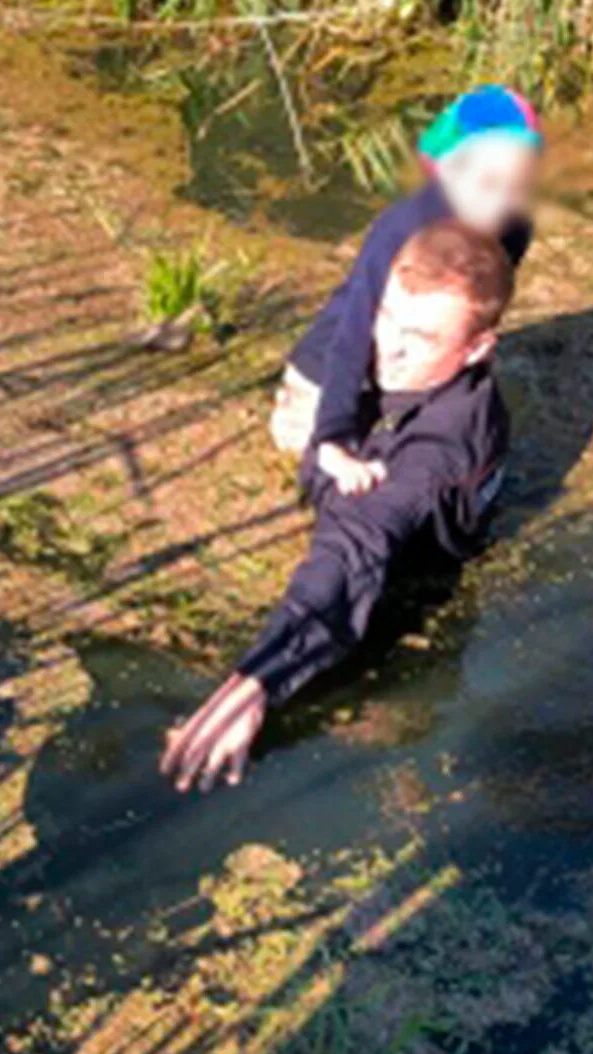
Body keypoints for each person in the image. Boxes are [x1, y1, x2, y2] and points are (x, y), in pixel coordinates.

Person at [162, 221, 514, 792]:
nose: (389, 349)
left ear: (477, 347)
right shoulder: (399, 354)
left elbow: (354, 550)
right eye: (388, 320)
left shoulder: (435, 454)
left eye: (422, 338)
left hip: (412, 563)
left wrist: (257, 680)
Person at [270, 84, 540, 498]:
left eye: (515, 182)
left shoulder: (515, 228)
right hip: (333, 370)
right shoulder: (404, 225)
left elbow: (476, 315)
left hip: (408, 365)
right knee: (328, 469)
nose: (500, 201)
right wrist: (334, 436)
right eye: (486, 181)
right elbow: (353, 328)